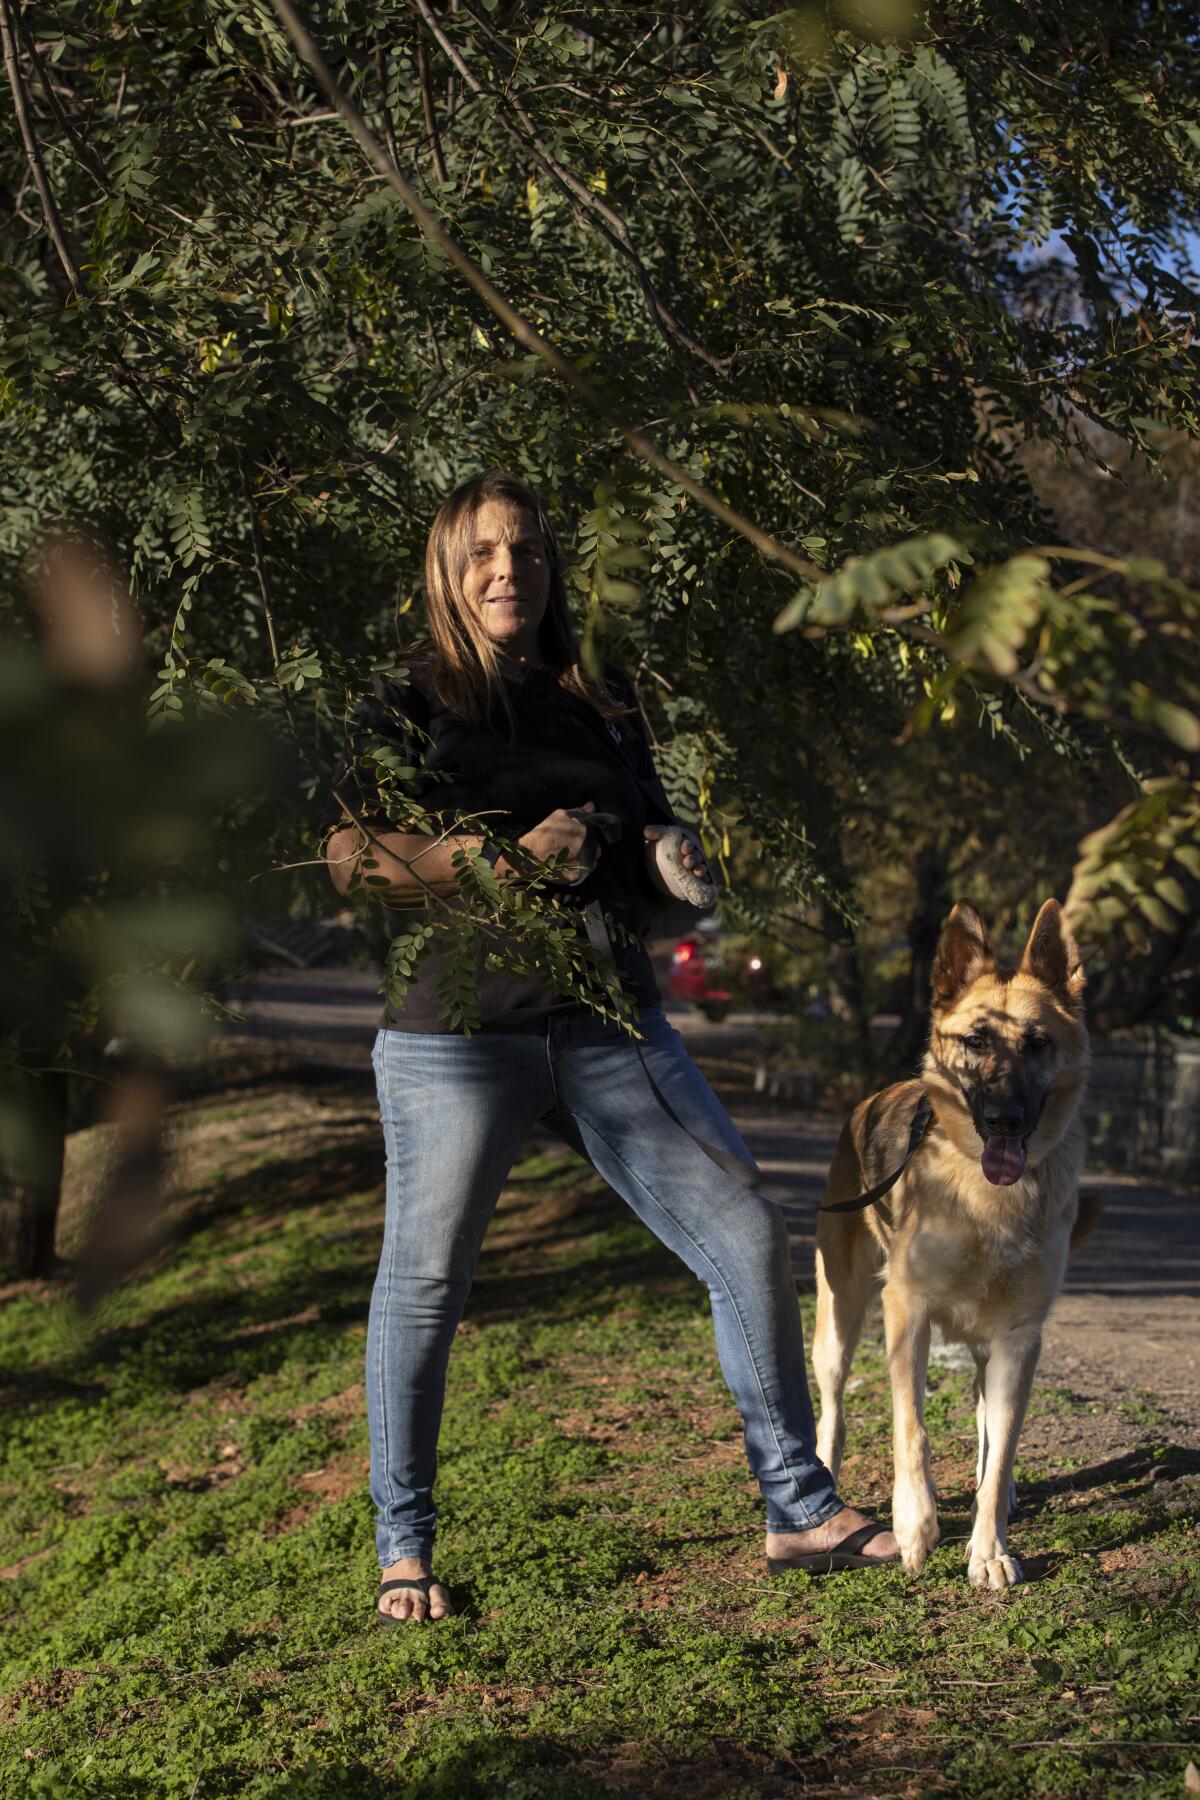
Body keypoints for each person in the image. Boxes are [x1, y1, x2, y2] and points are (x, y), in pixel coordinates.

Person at [323, 468, 898, 1625]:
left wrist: (670, 866)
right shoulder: (402, 705)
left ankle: (798, 1508)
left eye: (528, 551)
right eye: (484, 552)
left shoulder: (598, 698)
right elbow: (351, 857)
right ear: (448, 566)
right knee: (427, 1284)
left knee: (742, 1223)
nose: (508, 572)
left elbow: (649, 868)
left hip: (606, 1018)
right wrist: (489, 860)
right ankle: (403, 1549)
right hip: (457, 1034)